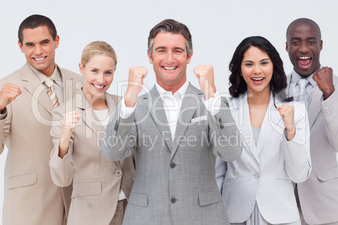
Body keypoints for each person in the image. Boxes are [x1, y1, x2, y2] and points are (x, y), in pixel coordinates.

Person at [100, 19, 242, 225]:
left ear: (189, 56)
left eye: (177, 50)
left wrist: (211, 95)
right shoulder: (133, 105)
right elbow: (113, 152)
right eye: (161, 50)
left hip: (203, 217)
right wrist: (129, 98)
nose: (169, 58)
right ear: (150, 56)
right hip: (147, 217)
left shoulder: (211, 103)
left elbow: (231, 152)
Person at [0, 14, 81, 225]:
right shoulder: (5, 87)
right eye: (30, 44)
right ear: (20, 46)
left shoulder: (80, 83)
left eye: (44, 42)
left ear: (56, 41)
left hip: (77, 202)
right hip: (30, 206)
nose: (38, 51)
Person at [216, 36, 311, 225]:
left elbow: (299, 174)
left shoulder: (296, 111)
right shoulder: (226, 110)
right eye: (249, 64)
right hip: (234, 214)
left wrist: (290, 131)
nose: (257, 70)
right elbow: (218, 171)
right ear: (240, 70)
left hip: (280, 215)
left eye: (264, 63)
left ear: (274, 66)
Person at [49, 41, 135, 225]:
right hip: (90, 214)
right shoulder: (63, 112)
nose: (101, 80)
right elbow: (62, 179)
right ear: (82, 68)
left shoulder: (124, 106)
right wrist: (64, 136)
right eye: (94, 71)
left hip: (132, 210)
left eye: (108, 73)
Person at [285, 18, 338, 225]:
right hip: (280, 202)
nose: (303, 49)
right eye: (296, 42)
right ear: (287, 46)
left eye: (310, 41)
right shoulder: (274, 88)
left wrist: (329, 93)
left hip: (323, 205)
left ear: (320, 45)